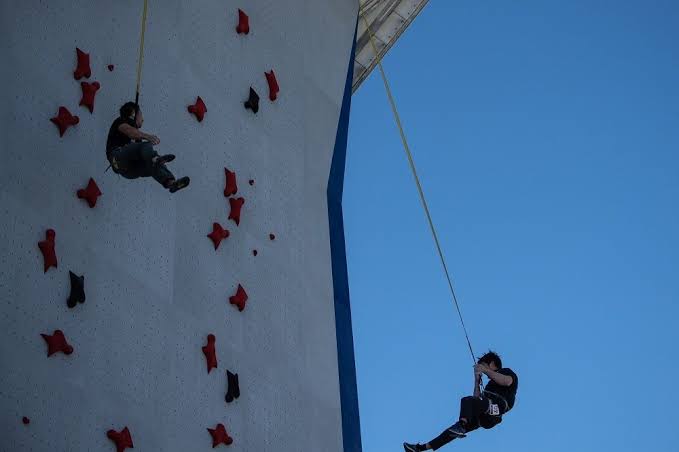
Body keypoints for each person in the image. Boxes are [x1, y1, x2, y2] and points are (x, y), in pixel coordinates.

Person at [403, 351, 518, 451]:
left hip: (496, 410)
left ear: (492, 363)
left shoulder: (506, 372)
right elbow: (476, 400)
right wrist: (476, 380)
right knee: (452, 431)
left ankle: (461, 425)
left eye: (483, 366)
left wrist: (485, 370)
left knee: (466, 402)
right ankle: (420, 448)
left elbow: (506, 382)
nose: (482, 370)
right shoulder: (489, 385)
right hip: (485, 416)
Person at [106, 102, 190, 193]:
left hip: (127, 171)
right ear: (133, 114)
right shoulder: (122, 121)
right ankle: (155, 160)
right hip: (118, 156)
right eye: (140, 115)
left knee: (152, 166)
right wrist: (147, 136)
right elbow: (129, 131)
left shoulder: (137, 139)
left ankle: (170, 183)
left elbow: (134, 135)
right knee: (146, 145)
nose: (143, 119)